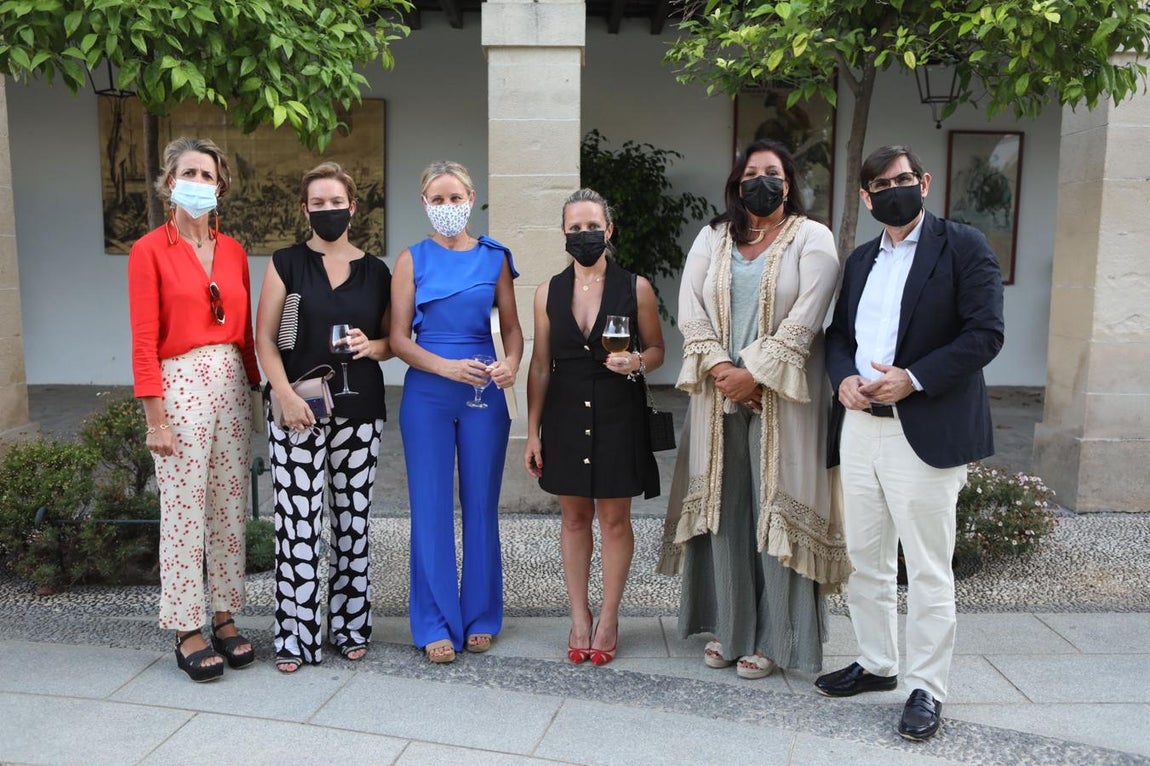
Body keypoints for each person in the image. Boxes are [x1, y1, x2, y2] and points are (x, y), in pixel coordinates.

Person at [816, 145, 1004, 742]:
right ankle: (877, 662)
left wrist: (914, 378)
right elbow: (838, 336)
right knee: (865, 557)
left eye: (902, 179)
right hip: (860, 426)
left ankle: (928, 686)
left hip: (924, 428)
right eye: (880, 185)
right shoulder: (861, 258)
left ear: (923, 183)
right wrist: (843, 378)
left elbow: (985, 334)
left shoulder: (963, 246)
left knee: (926, 567)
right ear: (866, 197)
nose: (892, 190)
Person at [658, 140, 851, 681]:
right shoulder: (712, 237)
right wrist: (723, 369)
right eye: (751, 173)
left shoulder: (812, 237)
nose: (760, 181)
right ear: (737, 184)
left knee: (776, 509)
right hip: (718, 392)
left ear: (788, 183)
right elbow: (689, 306)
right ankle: (731, 625)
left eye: (772, 172)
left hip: (784, 398)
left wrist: (755, 375)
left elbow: (808, 315)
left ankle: (776, 638)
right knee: (724, 507)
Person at [128, 137, 260, 682]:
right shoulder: (148, 250)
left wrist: (257, 389)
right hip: (179, 379)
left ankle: (224, 614)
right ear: (169, 183)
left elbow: (245, 334)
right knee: (184, 511)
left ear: (220, 186)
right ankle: (186, 625)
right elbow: (143, 341)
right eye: (189, 173)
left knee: (229, 506)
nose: (198, 183)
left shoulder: (233, 252)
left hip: (231, 379)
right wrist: (155, 420)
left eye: (207, 175)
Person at [255, 162, 392, 673]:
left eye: (337, 202)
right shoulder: (286, 263)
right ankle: (295, 637)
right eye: (318, 203)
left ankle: (351, 626)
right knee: (297, 526)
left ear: (353, 208)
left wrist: (371, 345)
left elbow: (392, 341)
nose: (328, 210)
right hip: (297, 410)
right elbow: (264, 338)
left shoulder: (377, 272)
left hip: (360, 412)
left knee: (353, 523)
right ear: (304, 209)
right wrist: (283, 394)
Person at [524, 189, 664, 666]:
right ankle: (578, 616)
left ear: (609, 230)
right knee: (573, 519)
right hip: (564, 414)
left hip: (618, 412)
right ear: (564, 233)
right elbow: (539, 365)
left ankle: (609, 616)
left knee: (615, 520)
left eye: (593, 227)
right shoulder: (547, 291)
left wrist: (637, 361)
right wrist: (533, 431)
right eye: (575, 228)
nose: (584, 235)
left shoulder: (636, 287)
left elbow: (658, 350)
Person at [391, 160, 523, 663]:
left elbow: (512, 329)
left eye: (455, 197)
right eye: (437, 199)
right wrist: (445, 368)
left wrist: (511, 364)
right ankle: (433, 622)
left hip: (483, 394)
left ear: (472, 198)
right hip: (428, 392)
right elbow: (399, 339)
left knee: (481, 505)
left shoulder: (495, 257)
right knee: (429, 506)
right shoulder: (411, 259)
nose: (447, 206)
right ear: (424, 203)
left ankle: (481, 615)